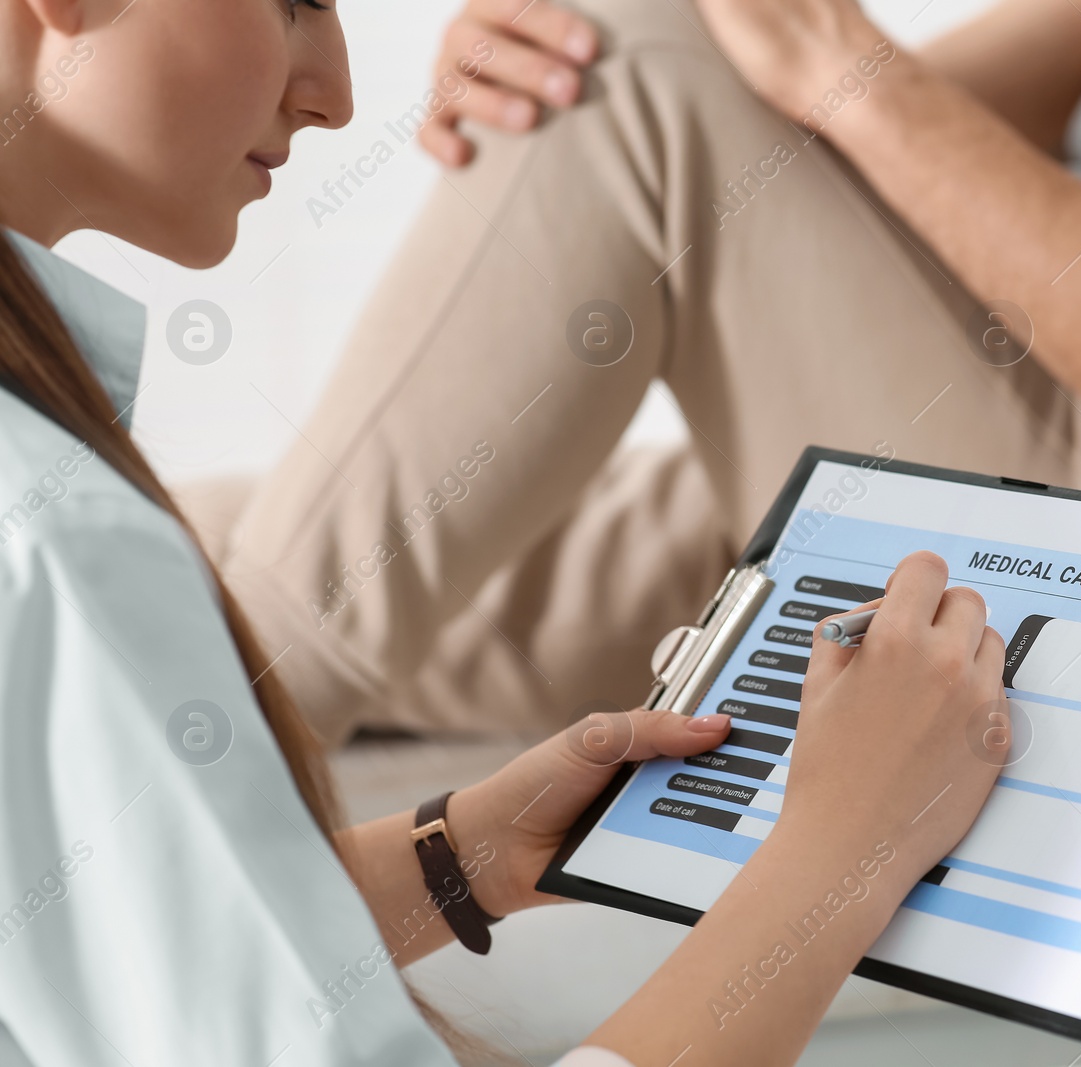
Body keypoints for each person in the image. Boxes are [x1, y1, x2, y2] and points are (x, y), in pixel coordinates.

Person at [210, 0, 1081, 980]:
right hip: (938, 500)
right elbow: (767, 162)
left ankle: (177, 808)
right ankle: (196, 710)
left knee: (633, 51)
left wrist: (746, 54)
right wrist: (539, 73)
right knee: (178, 552)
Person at [0, 0, 1009, 1063]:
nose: (339, 99)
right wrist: (843, 853)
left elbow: (98, 933)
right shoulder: (67, 547)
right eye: (294, 0)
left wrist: (459, 855)